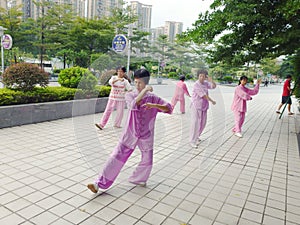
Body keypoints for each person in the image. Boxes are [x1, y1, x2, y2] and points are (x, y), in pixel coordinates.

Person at [87, 69, 173, 193]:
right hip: (130, 133)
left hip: (146, 135)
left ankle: (138, 179)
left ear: (146, 82)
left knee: (147, 160)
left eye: (140, 83)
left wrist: (155, 106)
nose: (137, 85)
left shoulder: (153, 98)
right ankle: (98, 183)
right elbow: (133, 105)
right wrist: (144, 91)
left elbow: (169, 108)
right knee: (116, 157)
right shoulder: (130, 94)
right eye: (136, 82)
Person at [190, 69, 216, 148]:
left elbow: (213, 86)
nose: (202, 77)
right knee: (195, 123)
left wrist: (211, 80)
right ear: (198, 76)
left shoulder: (205, 83)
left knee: (203, 123)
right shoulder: (196, 84)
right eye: (200, 76)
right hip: (196, 106)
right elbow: (203, 95)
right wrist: (212, 101)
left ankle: (197, 136)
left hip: (204, 106)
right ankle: (192, 141)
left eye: (203, 76)